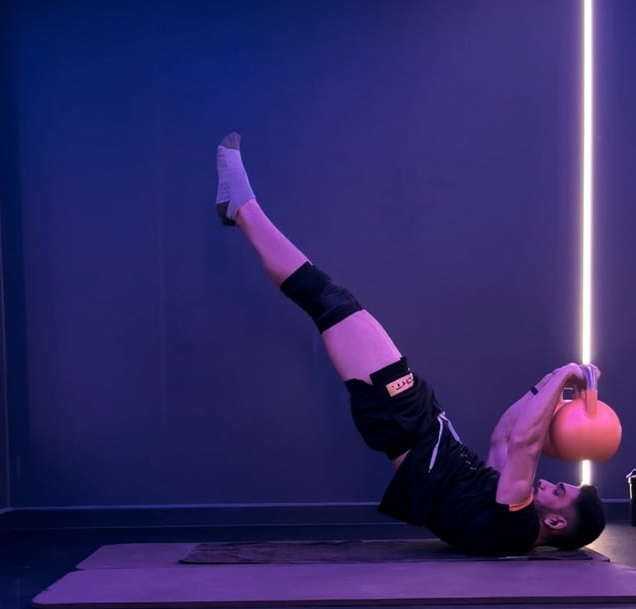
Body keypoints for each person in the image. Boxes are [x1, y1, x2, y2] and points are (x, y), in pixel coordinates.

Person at [214, 132, 606, 556]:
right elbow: (505, 434)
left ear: (554, 520)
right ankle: (241, 209)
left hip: (404, 419)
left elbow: (525, 443)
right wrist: (550, 381)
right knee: (329, 303)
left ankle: (243, 208)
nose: (549, 482)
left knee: (327, 300)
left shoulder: (517, 525)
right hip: (410, 420)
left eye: (559, 491)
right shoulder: (500, 508)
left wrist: (568, 372)